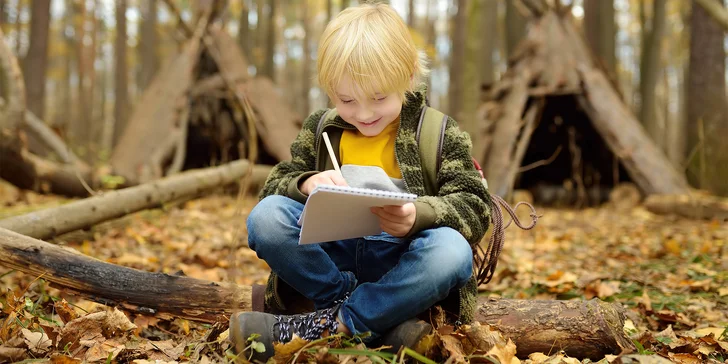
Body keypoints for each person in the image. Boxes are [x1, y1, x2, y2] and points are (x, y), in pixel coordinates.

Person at [229, 2, 492, 360]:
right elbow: (275, 185)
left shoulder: (438, 133)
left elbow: (474, 206)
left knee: (451, 252)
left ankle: (335, 323)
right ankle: (370, 316)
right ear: (329, 88)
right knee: (265, 217)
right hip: (330, 261)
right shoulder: (322, 129)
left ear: (409, 76)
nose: (364, 114)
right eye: (347, 100)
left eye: (379, 98)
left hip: (402, 264)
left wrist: (418, 215)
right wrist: (306, 183)